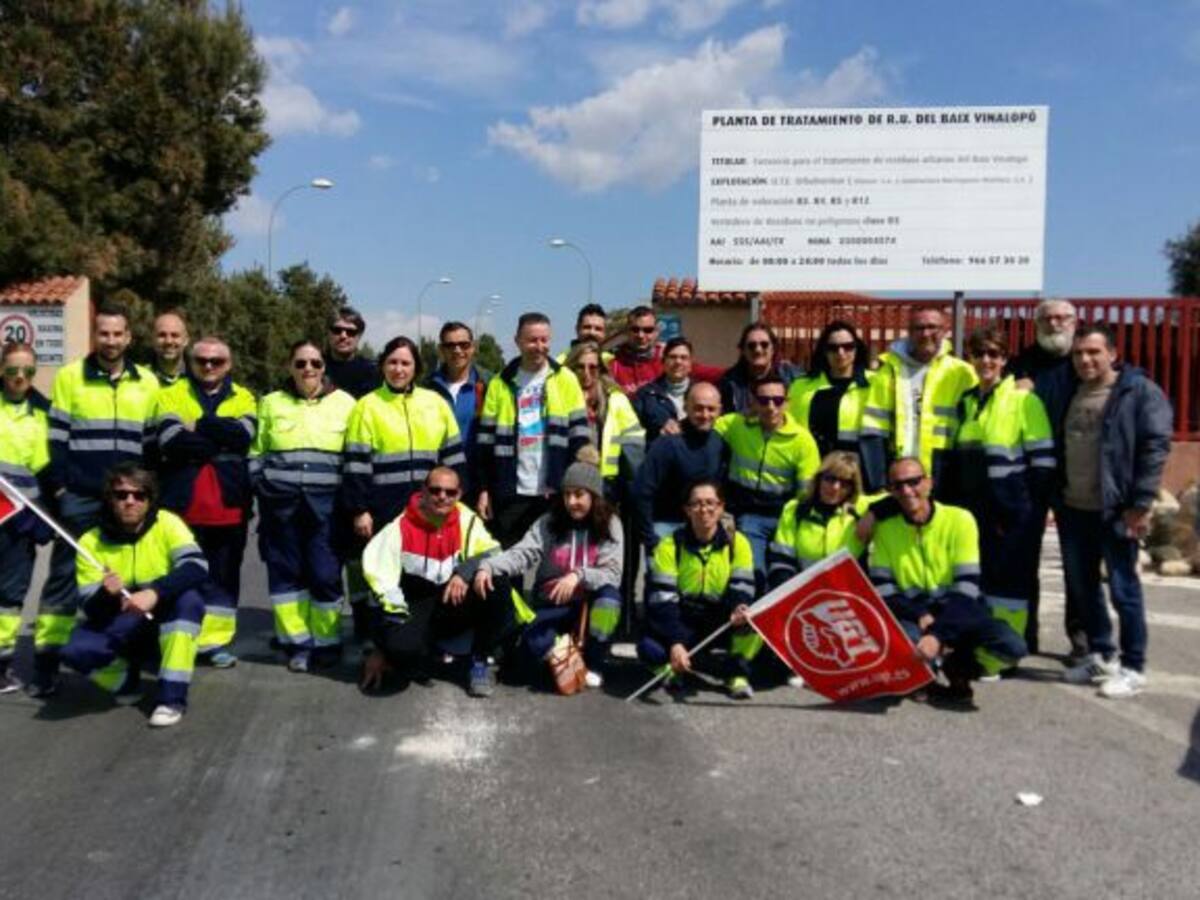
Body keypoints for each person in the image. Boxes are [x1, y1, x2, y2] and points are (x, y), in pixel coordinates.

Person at [31, 302, 160, 697]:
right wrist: (61, 491)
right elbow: (55, 441)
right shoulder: (71, 378)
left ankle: (127, 656)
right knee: (64, 584)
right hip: (84, 498)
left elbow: (152, 447)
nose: (110, 340)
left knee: (130, 579)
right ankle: (47, 664)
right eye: (103, 333)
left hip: (131, 501)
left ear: (129, 337)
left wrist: (149, 496)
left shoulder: (147, 382)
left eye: (117, 333)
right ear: (95, 336)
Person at [1046, 325, 1172, 698]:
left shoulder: (1137, 391)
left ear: (1112, 354)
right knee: (1083, 588)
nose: (1085, 360)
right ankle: (1102, 654)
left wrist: (1141, 503)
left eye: (1093, 352)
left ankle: (1134, 666)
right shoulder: (1072, 392)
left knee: (1123, 589)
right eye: (1079, 354)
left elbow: (1154, 447)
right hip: (1074, 508)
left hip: (1116, 510)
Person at [868, 457, 1026, 706]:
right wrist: (919, 612)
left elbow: (967, 589)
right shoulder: (886, 529)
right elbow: (883, 590)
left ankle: (960, 665)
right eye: (898, 485)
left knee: (1013, 647)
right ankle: (924, 677)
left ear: (929, 482)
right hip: (914, 614)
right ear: (891, 491)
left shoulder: (960, 519)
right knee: (906, 644)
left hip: (958, 609)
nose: (907, 491)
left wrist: (938, 635)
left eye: (914, 482)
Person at [59, 464, 208, 728]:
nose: (130, 501)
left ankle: (171, 698)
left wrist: (155, 592)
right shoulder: (90, 541)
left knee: (190, 602)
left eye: (139, 495)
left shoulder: (167, 523)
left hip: (162, 613)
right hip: (123, 620)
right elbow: (91, 609)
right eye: (121, 495)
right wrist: (106, 594)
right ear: (110, 499)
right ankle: (127, 682)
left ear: (149, 500)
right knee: (75, 650)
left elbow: (196, 566)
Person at [360, 467, 528, 697]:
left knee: (494, 580)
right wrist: (381, 647)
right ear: (424, 492)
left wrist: (464, 572)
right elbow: (380, 587)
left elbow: (494, 551)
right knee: (401, 652)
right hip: (416, 602)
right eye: (436, 490)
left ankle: (481, 660)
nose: (443, 497)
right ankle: (425, 653)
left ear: (459, 494)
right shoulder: (399, 527)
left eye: (450, 492)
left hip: (453, 598)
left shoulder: (466, 519)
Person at [944, 325, 1055, 667]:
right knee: (977, 580)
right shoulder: (966, 402)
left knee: (1009, 587)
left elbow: (1043, 463)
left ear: (1005, 359)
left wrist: (1031, 511)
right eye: (980, 354)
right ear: (970, 359)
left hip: (1013, 511)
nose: (986, 360)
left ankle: (1004, 658)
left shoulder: (1024, 400)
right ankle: (979, 646)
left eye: (994, 354)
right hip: (973, 509)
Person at [345, 336, 466, 639]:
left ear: (416, 368)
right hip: (385, 509)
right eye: (393, 362)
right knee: (384, 578)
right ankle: (379, 642)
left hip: (429, 510)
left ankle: (419, 639)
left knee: (424, 576)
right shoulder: (367, 407)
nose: (399, 369)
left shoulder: (435, 404)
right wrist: (360, 510)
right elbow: (356, 466)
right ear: (383, 365)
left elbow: (453, 461)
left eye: (405, 363)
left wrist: (457, 503)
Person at [473, 449, 622, 689]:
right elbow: (523, 553)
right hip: (553, 601)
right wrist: (489, 566)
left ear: (594, 496)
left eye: (579, 495)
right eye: (567, 495)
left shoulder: (611, 524)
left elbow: (612, 574)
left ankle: (593, 661)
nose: (571, 501)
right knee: (532, 647)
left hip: (588, 602)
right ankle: (565, 656)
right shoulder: (549, 522)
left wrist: (578, 575)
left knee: (610, 601)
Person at [250, 340, 356, 673]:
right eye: (300, 363)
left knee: (325, 575)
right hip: (279, 506)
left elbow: (353, 457)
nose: (308, 369)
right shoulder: (270, 403)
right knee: (286, 577)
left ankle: (326, 642)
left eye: (315, 363)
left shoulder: (346, 404)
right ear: (289, 367)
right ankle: (297, 642)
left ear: (325, 367)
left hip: (327, 507)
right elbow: (256, 451)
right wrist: (261, 485)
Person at [153, 336, 256, 668]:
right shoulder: (170, 394)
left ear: (229, 364)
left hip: (229, 505)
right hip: (181, 506)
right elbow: (171, 442)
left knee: (223, 577)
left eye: (217, 361)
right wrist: (218, 438)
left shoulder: (245, 397)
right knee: (180, 574)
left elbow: (243, 436)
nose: (209, 366)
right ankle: (180, 640)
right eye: (202, 360)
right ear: (190, 361)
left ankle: (214, 643)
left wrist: (198, 425)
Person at [637, 480, 760, 699]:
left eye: (711, 503)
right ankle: (671, 671)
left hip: (721, 616)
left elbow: (742, 586)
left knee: (754, 623)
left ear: (721, 507)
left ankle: (737, 674)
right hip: (684, 616)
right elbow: (663, 599)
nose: (704, 509)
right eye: (696, 504)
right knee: (648, 647)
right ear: (687, 510)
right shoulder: (669, 545)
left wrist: (738, 608)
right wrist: (675, 642)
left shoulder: (738, 543)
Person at [475, 312, 589, 547]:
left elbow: (579, 437)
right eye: (532, 340)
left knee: (555, 563)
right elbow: (485, 444)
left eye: (544, 340)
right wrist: (484, 489)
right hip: (511, 492)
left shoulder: (565, 379)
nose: (539, 346)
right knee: (508, 563)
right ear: (517, 341)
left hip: (555, 490)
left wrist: (576, 486)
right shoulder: (499, 383)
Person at [715, 374, 821, 589]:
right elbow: (703, 423)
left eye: (778, 400)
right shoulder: (736, 425)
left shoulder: (802, 440)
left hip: (785, 519)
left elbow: (807, 493)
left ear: (787, 403)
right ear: (752, 402)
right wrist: (676, 426)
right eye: (763, 400)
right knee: (753, 574)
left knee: (784, 579)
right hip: (750, 516)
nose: (771, 407)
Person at [860, 306, 977, 493]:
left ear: (945, 330)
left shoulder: (963, 373)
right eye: (919, 328)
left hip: (946, 470)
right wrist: (879, 483)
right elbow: (873, 428)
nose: (926, 333)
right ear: (909, 332)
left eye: (933, 327)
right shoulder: (889, 370)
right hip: (899, 472)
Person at [0, 343, 52, 693]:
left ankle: (1, 663)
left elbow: (47, 471)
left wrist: (45, 516)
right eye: (13, 370)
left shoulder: (44, 413)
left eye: (28, 372)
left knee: (10, 595)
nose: (20, 377)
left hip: (20, 520)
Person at [632, 382, 725, 551]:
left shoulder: (719, 443)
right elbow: (642, 491)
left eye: (711, 409)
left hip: (705, 529)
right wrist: (651, 540)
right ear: (686, 407)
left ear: (720, 410)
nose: (705, 415)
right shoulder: (667, 443)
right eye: (698, 408)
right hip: (666, 527)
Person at [767, 452, 865, 588]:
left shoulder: (862, 509)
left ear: (852, 488)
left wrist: (873, 514)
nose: (836, 487)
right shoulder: (795, 509)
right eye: (830, 479)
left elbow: (897, 496)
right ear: (819, 479)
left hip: (847, 594)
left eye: (845, 483)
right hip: (803, 593)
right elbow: (781, 562)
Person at [565, 341, 645, 496]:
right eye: (580, 367)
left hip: (608, 484)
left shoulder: (616, 399)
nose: (586, 373)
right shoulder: (560, 398)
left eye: (593, 367)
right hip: (570, 482)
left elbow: (634, 443)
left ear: (601, 369)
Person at [787, 321, 873, 463]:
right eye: (833, 348)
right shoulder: (800, 386)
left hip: (857, 470)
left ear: (857, 349)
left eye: (848, 347)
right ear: (824, 351)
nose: (841, 352)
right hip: (810, 467)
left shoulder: (874, 383)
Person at [424, 321, 491, 498]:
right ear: (441, 350)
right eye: (450, 345)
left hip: (479, 483)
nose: (457, 350)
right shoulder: (426, 388)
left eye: (464, 344)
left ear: (473, 347)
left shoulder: (489, 385)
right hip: (439, 486)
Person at [609, 306, 724, 397]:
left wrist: (738, 372)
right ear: (626, 331)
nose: (641, 335)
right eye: (635, 329)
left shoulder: (669, 358)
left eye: (648, 330)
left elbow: (710, 373)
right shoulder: (613, 364)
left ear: (656, 332)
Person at [717, 321, 803, 415]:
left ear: (773, 349)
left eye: (764, 344)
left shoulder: (793, 377)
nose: (758, 350)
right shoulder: (729, 382)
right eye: (751, 346)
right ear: (743, 351)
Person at [633, 337, 694, 443]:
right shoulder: (645, 395)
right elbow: (634, 433)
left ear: (690, 364)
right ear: (663, 362)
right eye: (672, 357)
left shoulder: (702, 394)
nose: (678, 362)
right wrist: (657, 432)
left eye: (683, 358)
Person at [1008, 298, 1077, 388]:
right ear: (1037, 324)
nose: (1052, 323)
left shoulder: (1086, 358)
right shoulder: (1022, 362)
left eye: (1059, 318)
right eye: (1046, 319)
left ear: (1073, 323)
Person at [325, 305, 381, 399]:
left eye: (350, 332)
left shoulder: (373, 373)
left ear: (359, 336)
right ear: (328, 332)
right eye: (337, 330)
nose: (343, 336)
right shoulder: (313, 367)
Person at [150, 310, 190, 386]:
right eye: (162, 335)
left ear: (186, 340)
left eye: (175, 335)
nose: (168, 341)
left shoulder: (199, 379)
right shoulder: (139, 379)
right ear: (152, 339)